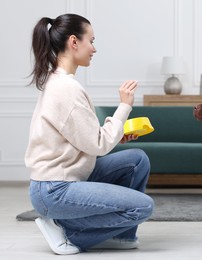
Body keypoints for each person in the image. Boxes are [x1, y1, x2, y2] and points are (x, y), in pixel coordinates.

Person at [25, 13, 154, 255]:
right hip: (55, 189)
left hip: (62, 179)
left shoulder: (61, 82)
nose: (93, 48)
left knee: (136, 160)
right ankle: (66, 230)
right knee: (142, 207)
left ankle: (122, 236)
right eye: (91, 41)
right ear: (74, 42)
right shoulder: (66, 89)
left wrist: (118, 134)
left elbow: (87, 138)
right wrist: (124, 105)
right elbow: (99, 145)